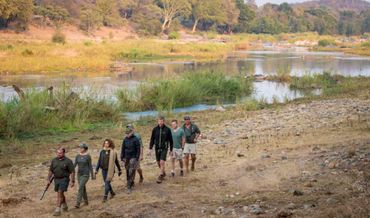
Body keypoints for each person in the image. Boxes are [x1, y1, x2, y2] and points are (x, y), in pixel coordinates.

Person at [47, 147, 75, 216]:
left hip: (64, 179)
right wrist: (48, 179)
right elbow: (51, 170)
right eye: (58, 153)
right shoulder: (54, 160)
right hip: (56, 179)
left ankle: (58, 209)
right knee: (60, 193)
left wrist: (72, 181)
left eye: (60, 153)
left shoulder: (68, 161)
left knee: (60, 192)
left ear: (64, 153)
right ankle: (64, 205)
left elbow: (72, 172)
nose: (59, 154)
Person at [149, 116, 173, 184]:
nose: (160, 122)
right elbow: (152, 139)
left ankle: (160, 176)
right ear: (158, 121)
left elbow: (171, 140)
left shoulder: (167, 129)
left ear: (164, 121)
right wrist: (150, 148)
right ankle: (163, 172)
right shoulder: (154, 129)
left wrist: (171, 150)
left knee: (162, 162)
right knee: (158, 162)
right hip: (157, 148)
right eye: (159, 121)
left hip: (164, 148)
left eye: (162, 121)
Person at [74, 142, 95, 209]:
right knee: (83, 188)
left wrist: (92, 175)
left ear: (85, 148)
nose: (80, 148)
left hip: (85, 174)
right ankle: (86, 201)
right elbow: (74, 165)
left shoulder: (88, 156)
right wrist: (69, 170)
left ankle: (78, 203)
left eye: (81, 147)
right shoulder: (77, 156)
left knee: (80, 188)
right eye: (80, 147)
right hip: (79, 174)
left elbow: (90, 166)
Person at [121, 127, 141, 193]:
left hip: (133, 157)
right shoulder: (125, 139)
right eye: (126, 133)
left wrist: (137, 157)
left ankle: (129, 186)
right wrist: (122, 157)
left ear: (131, 132)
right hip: (126, 157)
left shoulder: (136, 139)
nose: (127, 135)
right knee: (127, 170)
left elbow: (138, 149)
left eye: (128, 133)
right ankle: (130, 182)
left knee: (131, 171)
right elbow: (123, 148)